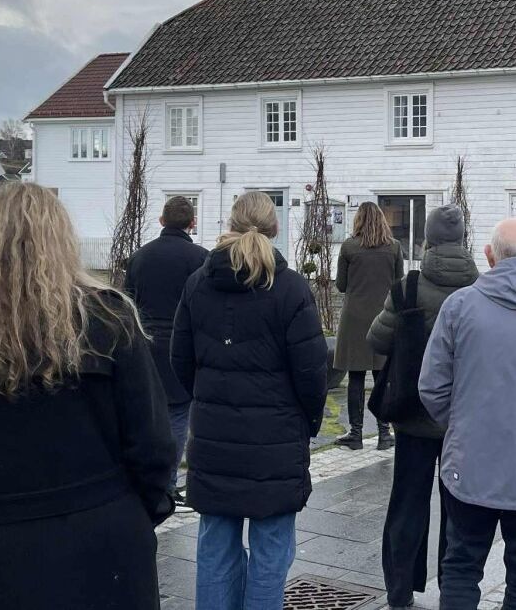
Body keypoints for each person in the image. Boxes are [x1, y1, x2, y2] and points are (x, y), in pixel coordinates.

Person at [0, 183, 174, 610]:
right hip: (103, 530)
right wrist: (139, 512)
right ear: (62, 240)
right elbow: (152, 441)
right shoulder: (108, 318)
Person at [172, 191, 328, 610]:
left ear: (231, 222)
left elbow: (180, 359)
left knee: (215, 549)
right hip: (275, 440)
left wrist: (207, 401)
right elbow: (312, 372)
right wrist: (307, 422)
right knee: (271, 554)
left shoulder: (199, 284)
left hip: (215, 437)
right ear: (274, 228)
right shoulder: (291, 288)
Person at [419, 218, 516, 610]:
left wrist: (461, 424)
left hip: (468, 464)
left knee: (460, 566)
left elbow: (432, 386)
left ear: (489, 256)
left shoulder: (459, 306)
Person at [367, 205, 479, 608]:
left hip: (413, 413)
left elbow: (376, 340)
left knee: (407, 504)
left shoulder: (409, 287)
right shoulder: (480, 288)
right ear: (463, 239)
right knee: (459, 508)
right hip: (462, 418)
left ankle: (399, 591)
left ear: (428, 239)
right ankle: (453, 588)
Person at [124, 195, 209, 508]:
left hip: (143, 343)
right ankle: (168, 483)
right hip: (182, 344)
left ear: (161, 221)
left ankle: (142, 479)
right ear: (192, 223)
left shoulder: (139, 257)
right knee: (177, 416)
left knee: (144, 414)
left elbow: (127, 304)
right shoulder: (200, 258)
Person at [334, 201, 404, 450]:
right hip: (384, 316)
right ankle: (385, 433)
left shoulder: (349, 247)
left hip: (354, 318)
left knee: (355, 375)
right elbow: (399, 283)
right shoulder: (394, 247)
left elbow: (341, 285)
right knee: (382, 376)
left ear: (358, 220)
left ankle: (356, 434)